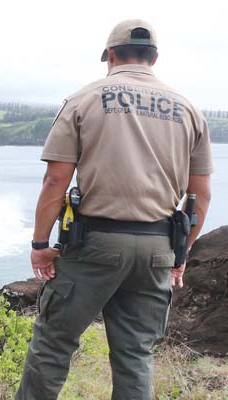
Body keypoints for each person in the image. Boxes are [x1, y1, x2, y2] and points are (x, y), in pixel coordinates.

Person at [16, 19, 213, 400]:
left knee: (54, 344)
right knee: (136, 355)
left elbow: (55, 181)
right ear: (154, 58)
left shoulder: (84, 99)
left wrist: (41, 243)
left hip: (95, 246)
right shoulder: (189, 110)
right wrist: (181, 252)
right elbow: (200, 195)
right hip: (157, 249)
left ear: (110, 56)